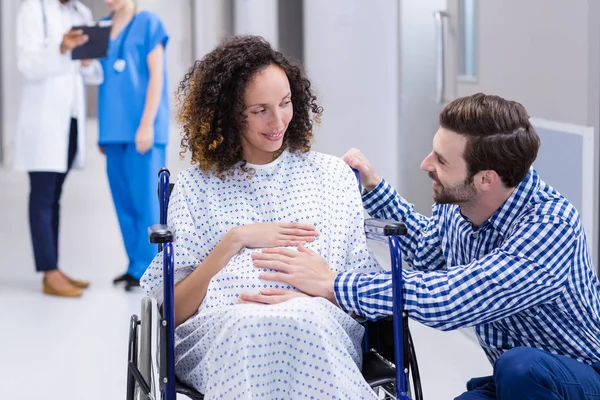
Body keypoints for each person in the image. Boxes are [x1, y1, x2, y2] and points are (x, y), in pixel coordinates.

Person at [242, 93, 600, 399]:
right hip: (515, 381)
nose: (426, 165)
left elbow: (453, 297)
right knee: (512, 371)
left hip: (578, 377)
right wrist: (373, 187)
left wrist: (332, 285)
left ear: (485, 179)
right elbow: (429, 250)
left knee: (521, 365)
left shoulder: (551, 227)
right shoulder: (462, 205)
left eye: (441, 161)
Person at [140, 35, 384, 399]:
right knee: (250, 327)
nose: (278, 120)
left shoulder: (331, 177)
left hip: (318, 322)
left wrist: (317, 296)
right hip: (224, 330)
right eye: (260, 110)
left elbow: (368, 298)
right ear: (227, 113)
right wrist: (233, 240)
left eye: (285, 103)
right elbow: (172, 313)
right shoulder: (195, 186)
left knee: (303, 321)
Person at [14, 0, 103, 297]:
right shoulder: (33, 9)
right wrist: (60, 47)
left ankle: (54, 267)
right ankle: (49, 272)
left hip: (70, 118)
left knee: (55, 196)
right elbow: (27, 64)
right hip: (44, 121)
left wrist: (88, 61)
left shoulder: (81, 13)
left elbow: (91, 75)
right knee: (42, 195)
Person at [98, 0, 170, 290]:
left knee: (146, 202)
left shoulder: (149, 23)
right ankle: (134, 266)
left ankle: (150, 271)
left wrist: (147, 123)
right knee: (123, 202)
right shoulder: (101, 28)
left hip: (142, 128)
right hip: (113, 129)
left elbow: (157, 77)